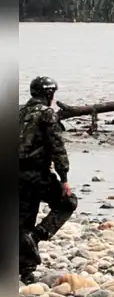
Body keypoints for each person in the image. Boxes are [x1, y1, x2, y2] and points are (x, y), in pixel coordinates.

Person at [19, 76, 78, 284]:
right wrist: (64, 178)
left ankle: (25, 269)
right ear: (49, 94)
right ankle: (38, 236)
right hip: (36, 174)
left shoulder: (18, 112)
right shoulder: (47, 114)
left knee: (23, 219)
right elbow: (57, 147)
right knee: (67, 202)